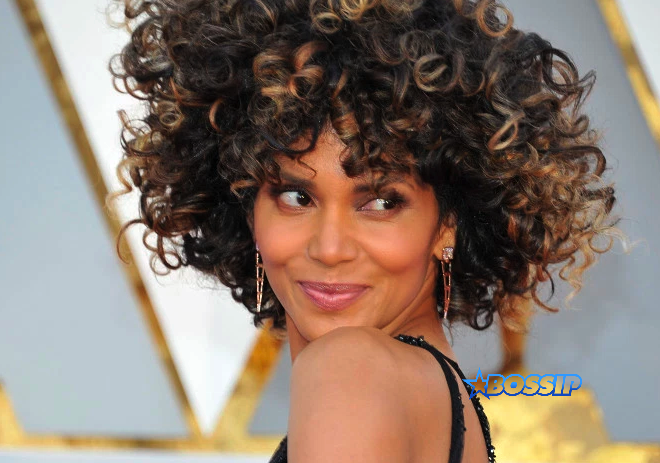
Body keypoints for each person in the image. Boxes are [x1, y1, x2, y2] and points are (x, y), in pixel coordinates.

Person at [107, 0, 621, 461]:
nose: (330, 248)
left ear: (448, 225)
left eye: (380, 202)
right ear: (247, 210)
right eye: (295, 197)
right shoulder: (436, 396)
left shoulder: (351, 371)